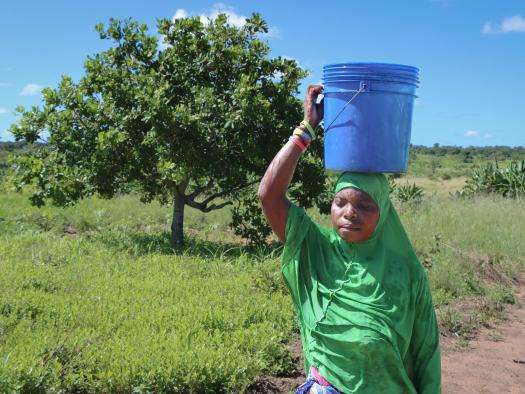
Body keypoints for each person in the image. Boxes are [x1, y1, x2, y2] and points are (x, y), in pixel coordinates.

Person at [257, 85, 441, 393]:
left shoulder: (405, 274)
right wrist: (306, 129)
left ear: (383, 213)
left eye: (365, 205)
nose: (350, 213)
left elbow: (427, 356)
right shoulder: (316, 252)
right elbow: (269, 195)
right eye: (340, 202)